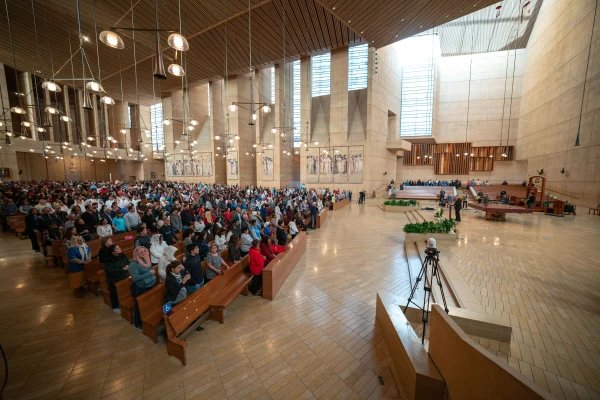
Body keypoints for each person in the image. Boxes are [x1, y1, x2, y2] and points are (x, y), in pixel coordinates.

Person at [129, 246, 156, 329]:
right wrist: (149, 273)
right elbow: (135, 278)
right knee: (140, 305)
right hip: (140, 287)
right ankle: (138, 323)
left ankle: (147, 319)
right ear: (136, 254)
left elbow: (150, 268)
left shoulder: (145, 259)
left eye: (144, 251)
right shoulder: (133, 265)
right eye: (141, 252)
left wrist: (152, 271)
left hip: (149, 284)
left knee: (148, 304)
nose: (144, 253)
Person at [103, 244, 130, 313]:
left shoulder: (122, 255)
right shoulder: (108, 260)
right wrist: (123, 269)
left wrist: (127, 265)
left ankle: (123, 302)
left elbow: (127, 261)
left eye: (119, 247)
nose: (120, 249)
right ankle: (115, 306)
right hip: (114, 279)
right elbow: (110, 271)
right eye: (117, 249)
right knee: (114, 293)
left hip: (123, 276)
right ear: (113, 252)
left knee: (124, 290)